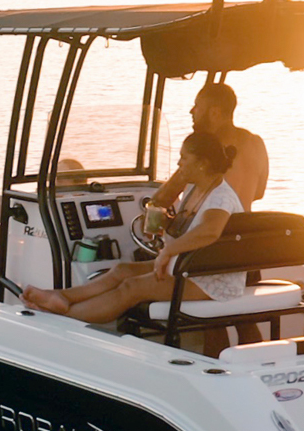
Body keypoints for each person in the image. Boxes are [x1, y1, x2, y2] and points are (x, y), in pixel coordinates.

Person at [17, 130, 245, 323]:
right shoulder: (196, 188)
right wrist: (167, 223)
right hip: (188, 267)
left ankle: (63, 317)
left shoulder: (220, 197)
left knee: (132, 287)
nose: (179, 164)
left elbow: (210, 231)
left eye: (184, 158)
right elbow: (193, 227)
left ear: (203, 163)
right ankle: (63, 297)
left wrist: (168, 251)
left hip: (210, 281)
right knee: (121, 270)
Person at [151, 80, 269, 211]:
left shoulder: (205, 148)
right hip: (242, 223)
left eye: (197, 106)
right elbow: (259, 193)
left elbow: (163, 198)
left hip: (209, 222)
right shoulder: (256, 143)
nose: (191, 111)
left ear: (214, 113)